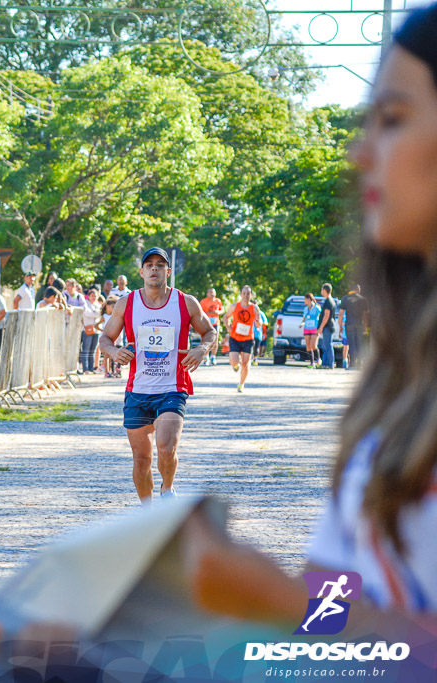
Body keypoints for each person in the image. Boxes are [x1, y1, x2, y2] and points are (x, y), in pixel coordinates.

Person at [178, 9, 437, 634]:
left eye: (393, 120)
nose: (358, 153)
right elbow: (340, 607)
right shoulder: (398, 376)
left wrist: (276, 601)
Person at [98, 247, 216, 502]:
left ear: (168, 271)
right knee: (142, 460)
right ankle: (148, 513)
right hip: (138, 390)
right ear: (141, 271)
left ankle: (167, 490)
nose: (154, 268)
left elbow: (210, 332)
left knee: (166, 446)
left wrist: (201, 349)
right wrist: (115, 352)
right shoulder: (127, 303)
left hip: (173, 388)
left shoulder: (185, 302)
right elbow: (105, 339)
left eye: (160, 265)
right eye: (149, 264)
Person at [220, 285, 260, 393]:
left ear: (251, 295)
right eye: (244, 293)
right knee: (233, 361)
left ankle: (241, 384)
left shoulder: (254, 308)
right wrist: (228, 327)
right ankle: (235, 365)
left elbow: (258, 324)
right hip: (235, 337)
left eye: (248, 294)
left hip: (248, 339)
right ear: (241, 294)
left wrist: (258, 321)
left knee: (246, 364)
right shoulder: (235, 306)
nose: (246, 295)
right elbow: (225, 316)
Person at [339, 284, 368, 369]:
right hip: (359, 324)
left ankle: (352, 364)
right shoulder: (362, 299)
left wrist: (340, 326)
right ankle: (359, 364)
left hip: (349, 324)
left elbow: (341, 313)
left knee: (351, 344)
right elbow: (365, 315)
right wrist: (365, 326)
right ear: (358, 290)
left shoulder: (345, 298)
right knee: (359, 343)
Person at [199, 287, 224, 365]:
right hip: (207, 323)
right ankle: (206, 358)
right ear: (207, 294)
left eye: (213, 292)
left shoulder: (218, 301)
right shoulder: (203, 302)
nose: (212, 294)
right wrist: (208, 314)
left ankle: (213, 357)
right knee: (206, 340)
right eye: (210, 292)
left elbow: (222, 310)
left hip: (216, 323)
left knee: (215, 340)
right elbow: (199, 312)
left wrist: (218, 312)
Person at [317, 283, 338, 369]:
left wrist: (321, 327)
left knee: (328, 345)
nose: (321, 291)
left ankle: (330, 364)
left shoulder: (328, 301)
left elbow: (326, 315)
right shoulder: (330, 300)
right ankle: (325, 364)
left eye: (322, 289)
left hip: (327, 326)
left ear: (324, 290)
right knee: (324, 345)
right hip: (328, 326)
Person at [80, 288, 101, 374]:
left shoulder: (98, 305)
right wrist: (94, 313)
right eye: (92, 296)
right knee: (86, 349)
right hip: (87, 329)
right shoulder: (85, 304)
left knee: (93, 350)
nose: (93, 297)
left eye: (95, 296)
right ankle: (85, 369)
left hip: (96, 330)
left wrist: (93, 313)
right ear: (88, 296)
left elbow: (100, 313)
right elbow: (87, 313)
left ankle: (91, 368)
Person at [102, 297, 121, 378]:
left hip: (117, 337)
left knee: (113, 355)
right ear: (107, 306)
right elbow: (96, 325)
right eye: (113, 307)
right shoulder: (105, 316)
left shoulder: (118, 316)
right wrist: (103, 331)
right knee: (106, 355)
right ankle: (107, 371)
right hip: (107, 338)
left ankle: (114, 370)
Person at [302, 292, 321, 368]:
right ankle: (311, 363)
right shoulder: (305, 309)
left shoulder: (316, 308)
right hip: (306, 328)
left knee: (313, 345)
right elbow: (304, 319)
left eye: (305, 299)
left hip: (314, 328)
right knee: (308, 346)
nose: (304, 301)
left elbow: (321, 316)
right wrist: (302, 323)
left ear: (309, 299)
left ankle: (318, 359)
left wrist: (320, 327)